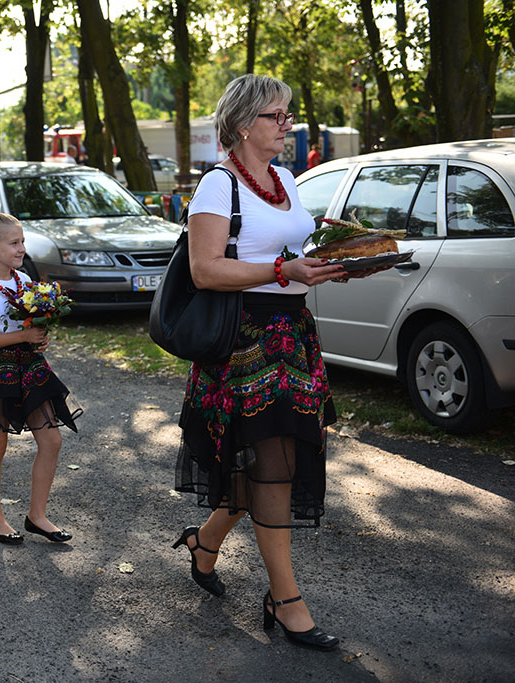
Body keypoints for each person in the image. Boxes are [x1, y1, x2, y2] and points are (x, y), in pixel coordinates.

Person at [173, 74, 344, 651]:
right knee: (273, 465)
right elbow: (205, 270)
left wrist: (329, 250)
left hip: (294, 339)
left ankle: (204, 541)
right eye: (277, 116)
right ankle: (286, 598)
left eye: (289, 115)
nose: (288, 125)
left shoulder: (287, 179)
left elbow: (289, 245)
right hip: (244, 341)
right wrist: (282, 271)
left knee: (275, 462)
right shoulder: (218, 186)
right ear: (245, 124)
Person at [0, 212, 81, 545]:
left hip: (28, 365)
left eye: (22, 241)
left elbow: (28, 328)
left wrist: (40, 337)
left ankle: (36, 516)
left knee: (52, 440)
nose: (21, 248)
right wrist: (23, 337)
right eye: (14, 243)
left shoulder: (23, 280)